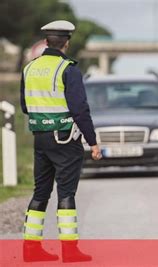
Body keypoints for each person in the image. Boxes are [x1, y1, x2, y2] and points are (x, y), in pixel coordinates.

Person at [20, 20, 102, 263]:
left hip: (40, 139)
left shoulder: (29, 69)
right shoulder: (68, 69)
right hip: (65, 138)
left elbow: (26, 107)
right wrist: (92, 141)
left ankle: (31, 249)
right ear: (67, 42)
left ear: (46, 42)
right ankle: (69, 250)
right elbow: (80, 109)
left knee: (40, 192)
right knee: (66, 193)